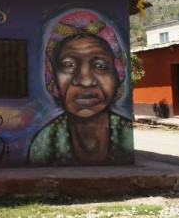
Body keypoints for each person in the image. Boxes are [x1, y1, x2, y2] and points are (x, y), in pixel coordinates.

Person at [29, 10, 133, 165]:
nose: (85, 81)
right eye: (69, 65)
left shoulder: (125, 135)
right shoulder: (44, 143)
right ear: (53, 74)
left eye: (100, 66)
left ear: (117, 73)